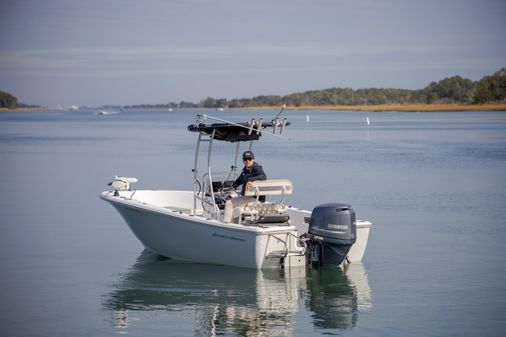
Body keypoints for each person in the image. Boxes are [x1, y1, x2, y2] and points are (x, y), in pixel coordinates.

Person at [223, 150, 266, 223]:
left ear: (253, 159)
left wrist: (250, 180)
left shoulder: (256, 168)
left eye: (250, 159)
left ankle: (226, 224)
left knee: (229, 203)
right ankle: (235, 225)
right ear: (243, 161)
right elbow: (239, 181)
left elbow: (263, 176)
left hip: (255, 199)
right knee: (234, 208)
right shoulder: (245, 171)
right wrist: (231, 186)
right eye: (245, 159)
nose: (247, 161)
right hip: (249, 198)